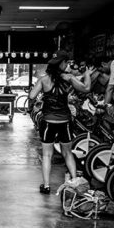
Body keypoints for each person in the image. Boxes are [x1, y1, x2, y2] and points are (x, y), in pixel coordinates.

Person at [28, 50, 93, 194]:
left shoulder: (44, 79)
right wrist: (87, 75)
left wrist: (43, 97)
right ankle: (75, 182)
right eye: (67, 62)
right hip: (65, 121)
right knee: (67, 153)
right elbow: (87, 88)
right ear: (62, 63)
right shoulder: (68, 78)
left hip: (48, 122)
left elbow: (32, 95)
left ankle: (46, 186)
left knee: (47, 155)